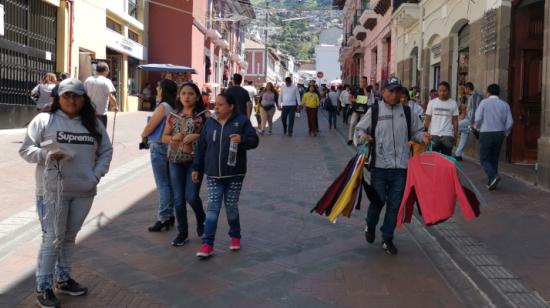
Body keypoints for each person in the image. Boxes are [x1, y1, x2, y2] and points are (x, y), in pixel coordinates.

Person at [19, 78, 113, 308]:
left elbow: (106, 151)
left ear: (84, 98)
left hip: (83, 190)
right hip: (52, 192)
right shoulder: (44, 120)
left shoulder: (93, 124)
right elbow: (26, 150)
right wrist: (46, 155)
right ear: (58, 98)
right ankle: (44, 286)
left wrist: (95, 175)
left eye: (76, 96)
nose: (71, 100)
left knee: (69, 236)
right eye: (67, 95)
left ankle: (63, 278)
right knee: (52, 238)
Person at [355, 77, 430, 255]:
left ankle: (387, 238)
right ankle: (370, 225)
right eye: (390, 91)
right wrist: (362, 137)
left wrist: (423, 137)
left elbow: (417, 132)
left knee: (395, 205)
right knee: (378, 201)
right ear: (383, 92)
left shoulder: (407, 112)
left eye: (397, 91)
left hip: (401, 168)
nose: (394, 94)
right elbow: (360, 129)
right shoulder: (374, 111)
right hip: (379, 166)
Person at [192, 93, 259, 258]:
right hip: (213, 173)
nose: (216, 107)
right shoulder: (210, 122)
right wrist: (196, 168)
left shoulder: (242, 121)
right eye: (216, 104)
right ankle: (207, 244)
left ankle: (235, 235)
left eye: (221, 105)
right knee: (213, 207)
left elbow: (254, 140)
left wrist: (242, 139)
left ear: (231, 106)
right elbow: (201, 147)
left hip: (235, 173)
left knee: (231, 207)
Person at [161, 82, 207, 246]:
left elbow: (211, 138)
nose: (186, 97)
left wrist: (197, 137)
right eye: (183, 94)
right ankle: (183, 233)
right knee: (179, 199)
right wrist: (174, 137)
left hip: (195, 161)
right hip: (175, 160)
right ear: (179, 97)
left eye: (190, 94)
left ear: (197, 96)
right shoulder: (173, 116)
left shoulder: (204, 115)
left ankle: (202, 219)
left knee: (192, 196)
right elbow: (164, 137)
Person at [141, 79, 178, 232]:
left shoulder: (163, 106)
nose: (157, 88)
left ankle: (163, 217)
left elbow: (151, 126)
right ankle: (169, 215)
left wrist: (142, 135)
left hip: (159, 145)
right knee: (169, 183)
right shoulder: (175, 106)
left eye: (158, 87)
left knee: (162, 183)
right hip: (170, 145)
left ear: (163, 90)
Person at [475, 84, 513, 190]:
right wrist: (506, 132)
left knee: (484, 158)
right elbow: (510, 121)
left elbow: (478, 118)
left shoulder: (484, 103)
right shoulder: (505, 104)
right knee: (494, 158)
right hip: (499, 133)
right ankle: (492, 181)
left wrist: (477, 127)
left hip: (486, 133)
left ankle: (493, 176)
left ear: (488, 92)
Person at [424, 81, 459, 156]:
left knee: (446, 160)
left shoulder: (453, 103)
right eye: (440, 91)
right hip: (433, 135)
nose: (442, 93)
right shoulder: (432, 102)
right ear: (437, 91)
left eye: (444, 91)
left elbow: (455, 121)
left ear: (448, 91)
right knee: (433, 159)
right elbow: (427, 119)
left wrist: (455, 137)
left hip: (447, 136)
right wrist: (425, 133)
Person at [454, 82, 483, 160]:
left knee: (454, 126)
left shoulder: (475, 96)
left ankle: (471, 128)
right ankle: (458, 155)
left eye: (465, 89)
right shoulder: (471, 96)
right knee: (464, 136)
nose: (464, 90)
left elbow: (475, 110)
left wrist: (473, 123)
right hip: (468, 118)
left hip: (470, 120)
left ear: (468, 88)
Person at [84, 61, 117, 128]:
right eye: (108, 69)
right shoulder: (106, 81)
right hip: (101, 114)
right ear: (106, 70)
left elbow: (83, 95)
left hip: (89, 113)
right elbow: (111, 97)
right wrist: (115, 106)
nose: (109, 71)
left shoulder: (88, 80)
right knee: (101, 134)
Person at [348, 76, 370, 145]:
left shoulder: (367, 89)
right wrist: (356, 100)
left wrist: (364, 88)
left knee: (363, 125)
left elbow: (367, 97)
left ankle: (361, 138)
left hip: (364, 110)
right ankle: (350, 138)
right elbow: (350, 97)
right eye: (361, 81)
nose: (362, 83)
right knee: (352, 124)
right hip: (356, 110)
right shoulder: (355, 88)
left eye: (364, 82)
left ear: (366, 82)